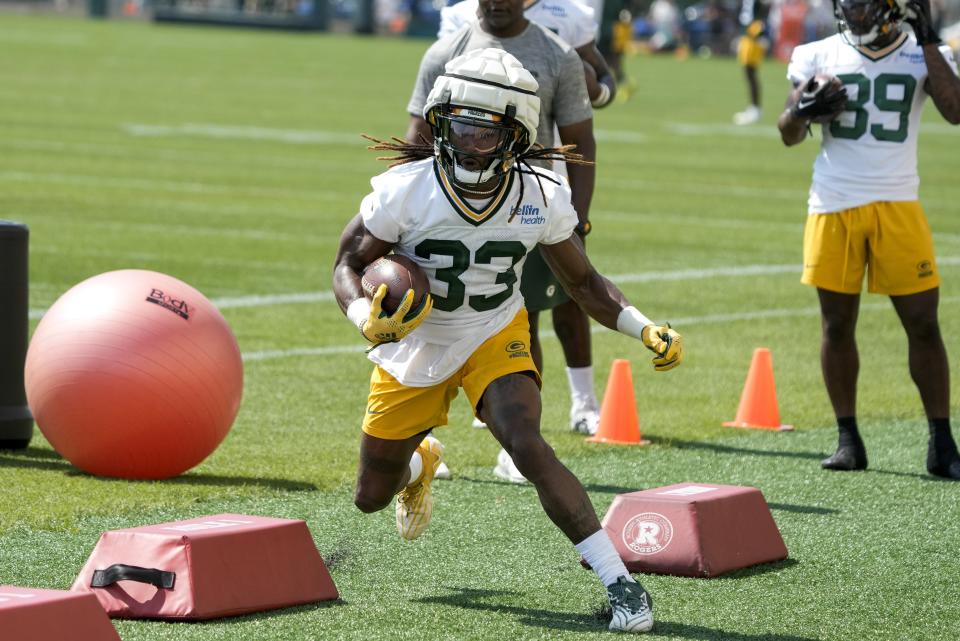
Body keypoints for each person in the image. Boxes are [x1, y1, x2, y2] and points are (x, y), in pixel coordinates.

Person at [333, 48, 682, 632]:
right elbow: (346, 262)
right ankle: (418, 469)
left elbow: (585, 282)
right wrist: (364, 315)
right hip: (412, 343)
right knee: (370, 495)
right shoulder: (405, 189)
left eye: (483, 131)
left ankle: (620, 582)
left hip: (494, 329)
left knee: (526, 443)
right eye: (457, 126)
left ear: (516, 136)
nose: (466, 140)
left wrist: (642, 325)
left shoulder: (539, 195)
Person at [408, 0, 602, 482]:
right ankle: (425, 440)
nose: (497, 2)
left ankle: (515, 448)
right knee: (431, 324)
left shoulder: (557, 54)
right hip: (448, 209)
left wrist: (577, 217)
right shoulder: (445, 50)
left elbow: (579, 139)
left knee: (522, 323)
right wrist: (405, 209)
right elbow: (417, 135)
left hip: (525, 208)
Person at [777, 0, 960, 478]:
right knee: (836, 326)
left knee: (922, 324)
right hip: (833, 203)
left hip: (899, 202)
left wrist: (927, 39)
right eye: (848, 2)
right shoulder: (818, 53)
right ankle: (847, 440)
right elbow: (788, 134)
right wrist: (801, 108)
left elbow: (955, 110)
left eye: (864, 2)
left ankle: (942, 442)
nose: (854, 11)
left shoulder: (925, 53)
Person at [437, 0, 618, 109]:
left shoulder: (571, 14)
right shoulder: (461, 14)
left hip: (547, 144)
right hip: (471, 134)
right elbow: (441, 81)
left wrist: (597, 92)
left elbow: (603, 78)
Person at [733, 0, 770, 125]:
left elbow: (764, 7)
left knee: (750, 72)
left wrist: (761, 30)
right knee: (748, 72)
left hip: (754, 34)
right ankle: (754, 108)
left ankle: (755, 109)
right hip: (748, 34)